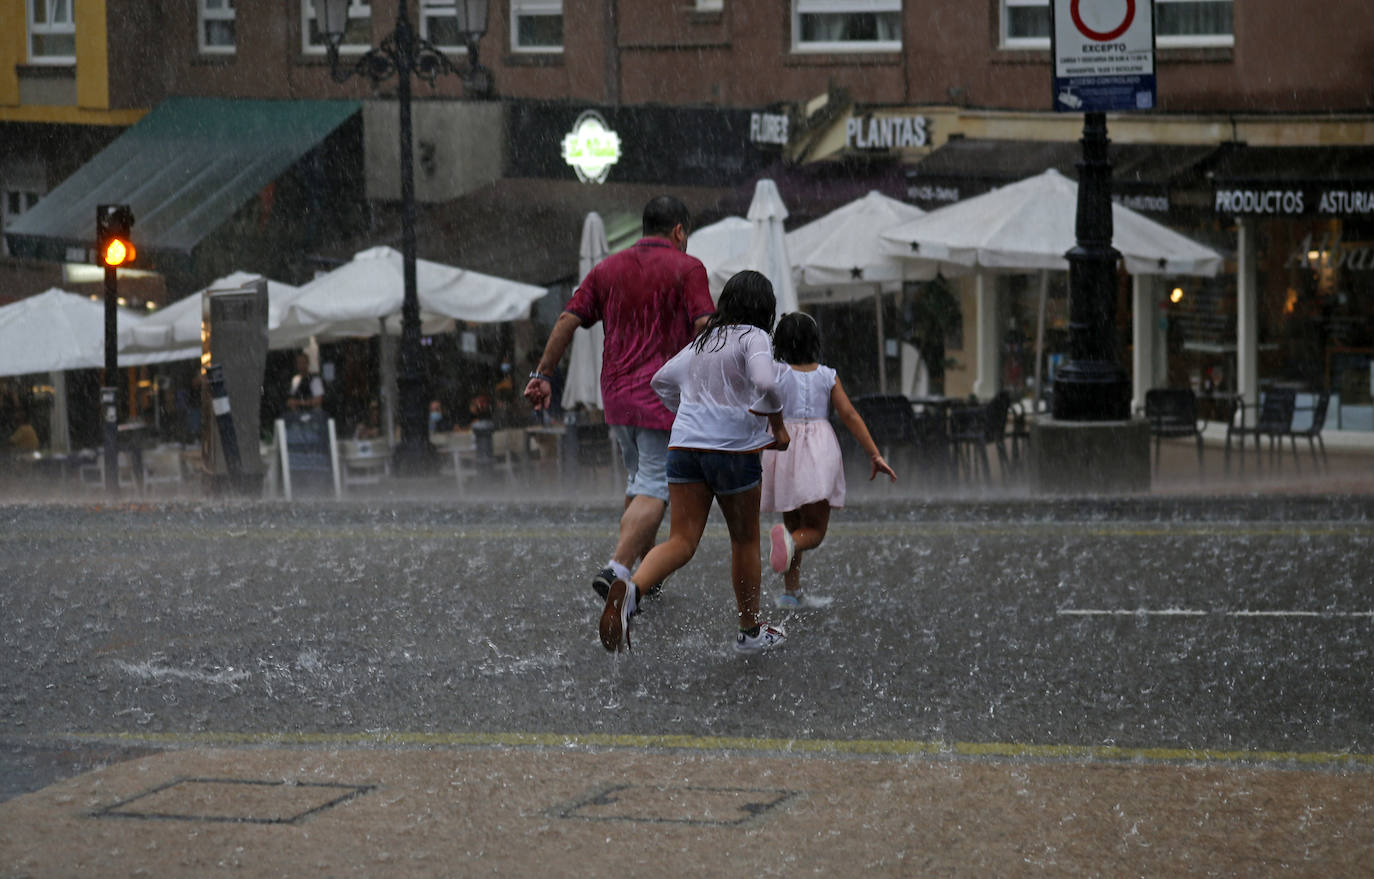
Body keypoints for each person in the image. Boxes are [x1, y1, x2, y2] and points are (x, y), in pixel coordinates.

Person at [525, 195, 715, 601]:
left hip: (615, 397)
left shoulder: (607, 268)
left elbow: (566, 320)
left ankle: (645, 575)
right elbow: (704, 327)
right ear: (679, 231)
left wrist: (542, 375)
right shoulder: (688, 267)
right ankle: (617, 568)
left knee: (637, 481)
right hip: (661, 399)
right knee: (655, 488)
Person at [599, 270, 790, 655]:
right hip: (733, 451)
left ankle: (633, 591)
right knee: (745, 539)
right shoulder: (754, 337)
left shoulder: (702, 341)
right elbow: (766, 383)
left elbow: (660, 381)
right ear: (765, 308)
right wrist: (777, 424)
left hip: (684, 447)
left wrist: (686, 412)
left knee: (681, 540)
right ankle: (750, 631)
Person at [761, 312, 897, 608]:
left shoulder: (776, 373)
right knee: (814, 531)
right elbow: (849, 415)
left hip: (783, 447)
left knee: (792, 522)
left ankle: (791, 591)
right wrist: (874, 453)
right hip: (818, 451)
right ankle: (792, 552)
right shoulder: (826, 375)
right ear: (815, 342)